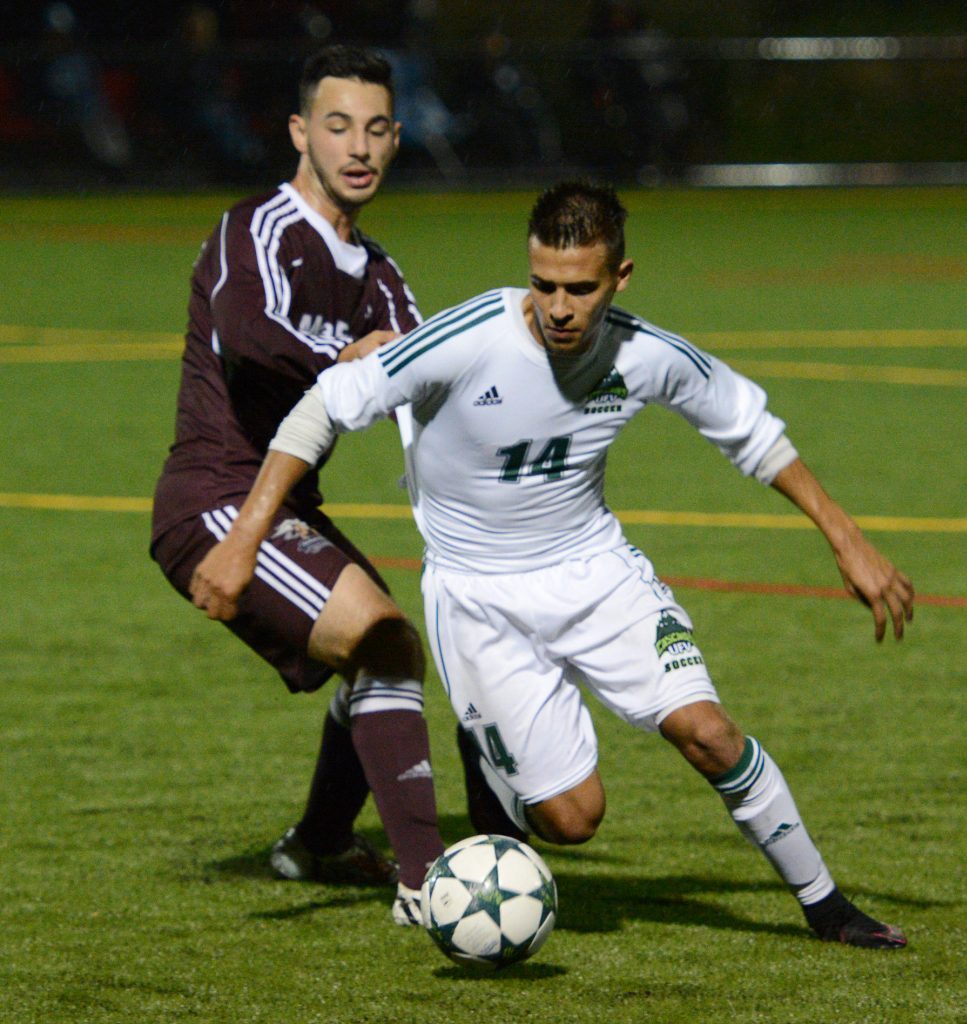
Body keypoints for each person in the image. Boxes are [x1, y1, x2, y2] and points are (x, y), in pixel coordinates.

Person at [190, 182, 915, 948]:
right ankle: (492, 740)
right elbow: (321, 408)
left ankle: (827, 907)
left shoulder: (646, 354)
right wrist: (244, 540)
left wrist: (846, 537)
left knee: (709, 733)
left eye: (580, 288)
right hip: (477, 599)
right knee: (572, 822)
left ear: (620, 278)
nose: (559, 307)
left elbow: (752, 432)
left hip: (595, 574)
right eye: (543, 285)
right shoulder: (470, 337)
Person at [150, 43, 445, 926]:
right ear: (299, 133)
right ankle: (430, 884)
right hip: (215, 499)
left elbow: (431, 376)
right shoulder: (261, 228)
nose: (358, 146)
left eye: (377, 128)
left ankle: (317, 843)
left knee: (387, 649)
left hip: (284, 505)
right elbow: (248, 331)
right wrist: (347, 365)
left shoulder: (382, 275)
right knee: (383, 639)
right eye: (337, 125)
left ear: (396, 141)